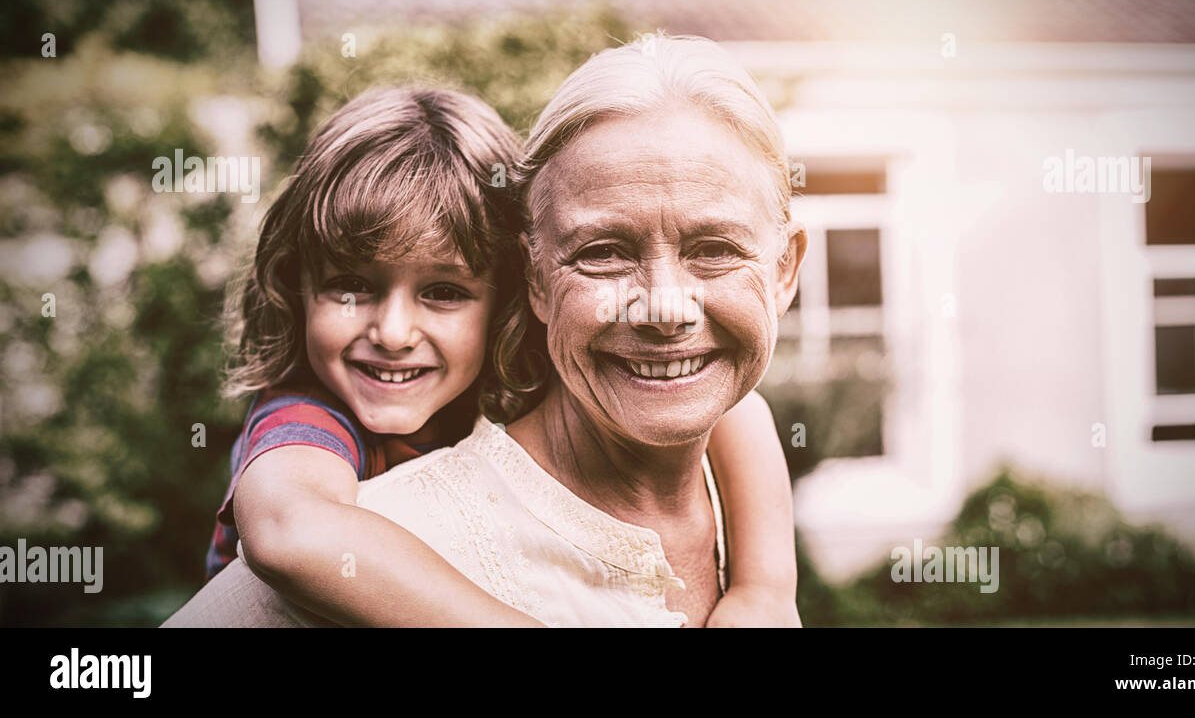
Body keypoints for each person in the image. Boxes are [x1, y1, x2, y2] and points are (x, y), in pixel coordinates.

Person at [173, 73, 800, 627]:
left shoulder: (534, 374)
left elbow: (736, 409)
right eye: (351, 286)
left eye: (444, 292)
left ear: (512, 293)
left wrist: (764, 589)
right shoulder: (305, 419)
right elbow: (291, 536)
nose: (393, 332)